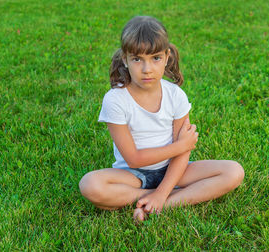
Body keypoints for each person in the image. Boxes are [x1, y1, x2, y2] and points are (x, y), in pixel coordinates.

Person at [78, 16, 244, 222]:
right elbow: (134, 158)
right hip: (132, 175)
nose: (147, 69)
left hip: (175, 170)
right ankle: (155, 199)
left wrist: (162, 191)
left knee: (233, 172)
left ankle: (161, 203)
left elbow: (183, 154)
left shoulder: (175, 95)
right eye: (137, 59)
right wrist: (181, 146)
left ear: (167, 57)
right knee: (90, 185)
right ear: (125, 59)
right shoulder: (115, 99)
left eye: (155, 58)